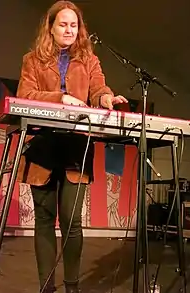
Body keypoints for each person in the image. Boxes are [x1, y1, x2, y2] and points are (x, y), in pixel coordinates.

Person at [16, 1, 127, 293]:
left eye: (73, 25)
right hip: (42, 146)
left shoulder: (89, 59)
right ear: (50, 27)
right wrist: (60, 98)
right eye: (63, 24)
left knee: (71, 220)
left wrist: (106, 98)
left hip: (76, 147)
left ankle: (72, 287)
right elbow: (25, 93)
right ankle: (46, 287)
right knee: (43, 219)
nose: (69, 29)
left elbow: (99, 88)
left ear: (80, 29)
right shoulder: (32, 60)